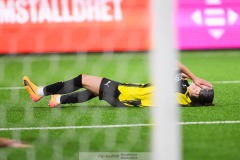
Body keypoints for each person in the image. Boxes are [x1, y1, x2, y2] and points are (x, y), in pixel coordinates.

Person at [23, 63, 214, 107]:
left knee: (84, 79)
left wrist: (193, 77)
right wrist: (187, 80)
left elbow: (174, 65)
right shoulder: (184, 92)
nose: (197, 87)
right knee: (93, 91)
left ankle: (39, 92)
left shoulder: (181, 92)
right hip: (128, 94)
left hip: (125, 94)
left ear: (195, 96)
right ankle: (58, 100)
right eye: (200, 86)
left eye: (198, 90)